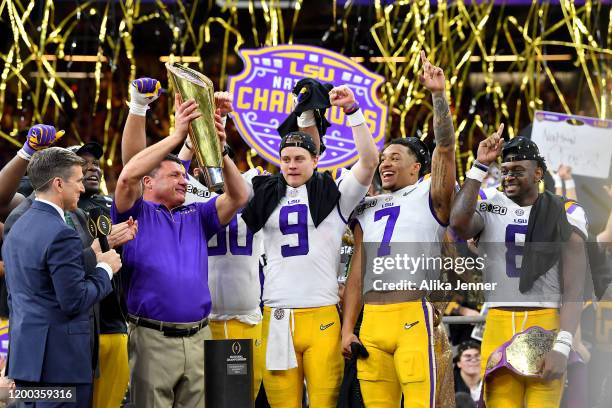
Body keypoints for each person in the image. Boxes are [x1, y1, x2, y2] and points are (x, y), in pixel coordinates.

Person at [241, 84, 379, 408]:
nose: (291, 164)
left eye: (299, 158)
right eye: (285, 158)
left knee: (324, 403)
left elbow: (370, 160)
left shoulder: (334, 195)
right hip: (275, 315)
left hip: (322, 315)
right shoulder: (265, 191)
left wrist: (353, 113)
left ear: (316, 159)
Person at [112, 93, 249, 407]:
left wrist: (222, 150)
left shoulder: (197, 215)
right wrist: (177, 136)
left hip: (200, 337)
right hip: (153, 339)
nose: (184, 182)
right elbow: (127, 175)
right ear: (149, 182)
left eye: (184, 176)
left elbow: (239, 196)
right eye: (174, 175)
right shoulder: (134, 213)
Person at [340, 51, 457, 408]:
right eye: (384, 157)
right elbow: (356, 271)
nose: (386, 163)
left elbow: (446, 147)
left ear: (417, 167)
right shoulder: (368, 205)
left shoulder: (429, 192)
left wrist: (438, 96)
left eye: (395, 157)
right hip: (372, 320)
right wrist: (348, 328)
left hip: (413, 313)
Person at [449, 130, 588, 407]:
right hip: (498, 321)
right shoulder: (489, 202)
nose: (509, 175)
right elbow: (458, 223)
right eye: (505, 169)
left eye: (518, 170)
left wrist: (562, 345)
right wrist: (479, 167)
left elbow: (575, 286)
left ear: (538, 173)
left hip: (545, 321)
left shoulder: (566, 211)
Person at [2, 147, 122, 407]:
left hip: (26, 361)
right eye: (78, 181)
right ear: (58, 183)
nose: (82, 188)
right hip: (61, 366)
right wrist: (106, 270)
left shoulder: (18, 224)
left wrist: (92, 258)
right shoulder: (61, 232)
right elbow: (74, 301)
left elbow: (39, 281)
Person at [66, 141, 132, 408]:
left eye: (96, 163)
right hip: (74, 328)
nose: (93, 169)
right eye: (84, 163)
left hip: (113, 324)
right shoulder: (55, 209)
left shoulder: (113, 205)